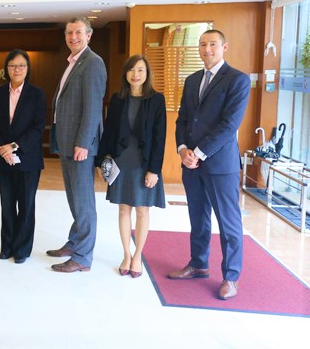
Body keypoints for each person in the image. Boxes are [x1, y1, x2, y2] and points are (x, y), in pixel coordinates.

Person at [169, 29, 250, 300]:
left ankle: (231, 276)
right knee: (198, 218)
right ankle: (198, 264)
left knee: (229, 223)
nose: (207, 49)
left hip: (220, 164)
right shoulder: (192, 80)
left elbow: (230, 125)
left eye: (213, 44)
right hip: (191, 164)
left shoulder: (238, 80)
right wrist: (182, 150)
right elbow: (183, 119)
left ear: (224, 47)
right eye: (202, 44)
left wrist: (199, 152)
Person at [96, 55, 166, 278]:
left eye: (141, 70)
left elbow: (159, 137)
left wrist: (154, 170)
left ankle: (138, 257)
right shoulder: (118, 99)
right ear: (125, 73)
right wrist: (101, 162)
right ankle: (126, 254)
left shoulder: (156, 100)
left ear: (147, 75)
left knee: (142, 210)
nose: (135, 75)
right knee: (123, 208)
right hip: (120, 162)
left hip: (144, 164)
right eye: (131, 70)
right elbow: (108, 132)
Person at [47, 17, 107, 273]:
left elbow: (93, 108)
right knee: (74, 198)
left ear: (89, 36)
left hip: (80, 146)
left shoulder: (93, 63)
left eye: (78, 33)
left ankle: (82, 257)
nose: (73, 37)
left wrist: (83, 143)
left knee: (83, 202)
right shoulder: (74, 62)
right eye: (70, 33)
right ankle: (74, 243)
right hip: (67, 142)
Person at [0, 49, 47, 264]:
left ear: (27, 68)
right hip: (1, 158)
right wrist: (3, 149)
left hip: (28, 159)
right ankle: (7, 246)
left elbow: (38, 126)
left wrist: (15, 146)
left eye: (21, 65)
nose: (17, 69)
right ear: (7, 69)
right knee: (7, 204)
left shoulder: (36, 93)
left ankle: (22, 248)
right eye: (13, 65)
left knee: (26, 204)